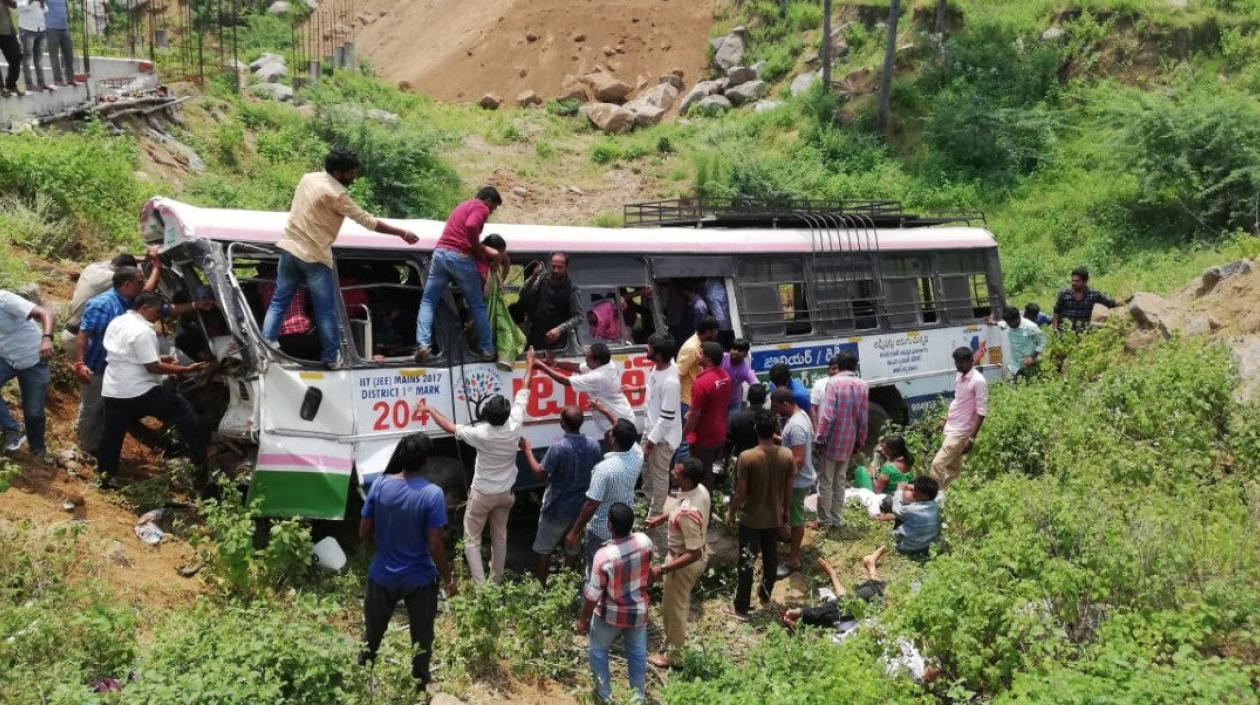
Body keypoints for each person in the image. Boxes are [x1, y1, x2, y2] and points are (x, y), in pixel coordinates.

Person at [264, 149, 417, 368]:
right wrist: (401, 233)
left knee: (279, 300)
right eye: (351, 173)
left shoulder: (308, 178)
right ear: (338, 172)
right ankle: (331, 357)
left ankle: (268, 340)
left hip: (288, 249)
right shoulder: (337, 195)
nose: (354, 177)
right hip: (314, 257)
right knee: (325, 308)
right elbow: (369, 222)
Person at [417, 348, 535, 584]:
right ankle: (497, 581)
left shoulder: (480, 433)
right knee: (500, 537)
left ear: (487, 416)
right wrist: (530, 363)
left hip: (482, 494)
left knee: (472, 538)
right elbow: (524, 389)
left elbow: (450, 427)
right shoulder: (515, 423)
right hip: (505, 494)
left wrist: (429, 409)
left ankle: (481, 589)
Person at [73, 267, 208, 458]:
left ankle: (102, 454)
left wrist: (196, 305)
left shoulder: (133, 303)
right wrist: (80, 363)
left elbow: (166, 310)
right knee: (92, 408)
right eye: (139, 282)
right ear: (126, 284)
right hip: (97, 367)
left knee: (109, 414)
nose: (143, 285)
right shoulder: (103, 304)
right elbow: (83, 334)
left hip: (120, 370)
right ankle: (88, 448)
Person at [358, 433, 456, 694]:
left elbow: (364, 531)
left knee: (372, 632)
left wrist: (383, 549)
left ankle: (361, 680)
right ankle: (419, 686)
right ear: (426, 460)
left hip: (382, 575)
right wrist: (449, 579)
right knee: (422, 636)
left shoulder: (379, 485)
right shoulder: (432, 494)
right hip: (420, 579)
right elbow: (435, 544)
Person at [95, 293, 209, 488]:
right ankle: (200, 465)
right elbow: (152, 367)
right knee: (184, 414)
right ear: (145, 307)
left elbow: (128, 354)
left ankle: (105, 479)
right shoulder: (143, 331)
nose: (159, 314)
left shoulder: (118, 321)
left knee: (112, 435)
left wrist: (162, 358)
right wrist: (186, 369)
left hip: (114, 390)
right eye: (157, 310)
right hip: (140, 391)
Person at [415, 187, 502, 362]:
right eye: (493, 208)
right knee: (477, 305)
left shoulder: (462, 206)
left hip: (440, 254)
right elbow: (470, 226)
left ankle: (423, 344)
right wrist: (477, 249)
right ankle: (487, 349)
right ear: (489, 201)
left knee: (428, 301)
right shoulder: (481, 207)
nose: (490, 212)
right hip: (460, 256)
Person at [578, 502, 653, 705]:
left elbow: (593, 595)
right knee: (637, 654)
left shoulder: (604, 556)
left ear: (610, 525)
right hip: (638, 612)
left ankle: (605, 697)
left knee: (598, 650)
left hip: (610, 615)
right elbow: (649, 572)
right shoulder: (645, 542)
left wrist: (583, 619)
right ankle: (638, 698)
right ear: (631, 523)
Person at [521, 405, 601, 587]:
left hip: (555, 508)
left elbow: (540, 474)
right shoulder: (594, 445)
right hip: (580, 509)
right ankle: (568, 586)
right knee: (572, 549)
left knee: (544, 549)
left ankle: (542, 587)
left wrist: (527, 450)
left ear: (562, 424)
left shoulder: (558, 447)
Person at [644, 458, 709, 669]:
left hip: (682, 563)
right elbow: (679, 509)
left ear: (687, 480)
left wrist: (662, 569)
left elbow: (694, 553)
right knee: (673, 607)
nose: (673, 472)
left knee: (675, 611)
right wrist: (662, 518)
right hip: (681, 556)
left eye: (677, 473)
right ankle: (672, 644)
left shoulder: (688, 514)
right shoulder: (699, 491)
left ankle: (674, 658)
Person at [728, 410, 792, 620]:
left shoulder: (747, 457)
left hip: (751, 519)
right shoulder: (786, 455)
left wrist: (731, 512)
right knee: (771, 559)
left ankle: (741, 607)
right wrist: (785, 513)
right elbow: (788, 488)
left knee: (747, 563)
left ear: (756, 429)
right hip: (773, 518)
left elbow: (740, 493)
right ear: (775, 431)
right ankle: (765, 595)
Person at [566, 419, 644, 572]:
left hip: (602, 529)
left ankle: (594, 592)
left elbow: (591, 505)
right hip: (624, 522)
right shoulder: (638, 454)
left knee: (597, 568)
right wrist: (604, 412)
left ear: (613, 439)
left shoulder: (604, 469)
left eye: (611, 431)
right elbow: (625, 431)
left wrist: (574, 531)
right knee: (616, 565)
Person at [813, 351, 868, 530]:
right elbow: (863, 418)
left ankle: (825, 520)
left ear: (839, 365)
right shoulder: (863, 385)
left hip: (831, 440)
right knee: (840, 480)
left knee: (826, 481)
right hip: (849, 440)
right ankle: (836, 519)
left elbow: (828, 416)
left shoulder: (833, 383)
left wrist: (819, 439)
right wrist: (860, 441)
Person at [535, 342, 634, 440]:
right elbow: (577, 367)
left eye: (588, 357)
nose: (585, 359)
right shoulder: (607, 364)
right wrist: (554, 364)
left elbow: (565, 381)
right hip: (618, 417)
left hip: (617, 421)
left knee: (617, 452)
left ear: (597, 362)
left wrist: (543, 367)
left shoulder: (598, 377)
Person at [62, 250, 159, 345]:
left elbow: (118, 260)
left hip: (70, 332)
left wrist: (144, 259)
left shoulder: (93, 267)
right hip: (81, 339)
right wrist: (156, 268)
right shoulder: (113, 278)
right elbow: (145, 293)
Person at [640, 332, 681, 555]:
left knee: (659, 474)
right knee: (646, 472)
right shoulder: (658, 369)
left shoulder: (671, 381)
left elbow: (666, 419)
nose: (646, 350)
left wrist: (650, 443)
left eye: (649, 348)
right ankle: (650, 504)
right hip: (650, 431)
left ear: (658, 354)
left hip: (662, 438)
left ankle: (656, 514)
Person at [0, 288, 53, 456]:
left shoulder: (4, 299)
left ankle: (37, 449)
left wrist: (46, 338)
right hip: (6, 358)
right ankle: (12, 429)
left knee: (34, 412)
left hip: (34, 358)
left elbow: (45, 313)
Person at [929, 347, 987, 489]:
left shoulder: (978, 381)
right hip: (952, 426)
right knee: (953, 469)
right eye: (956, 362)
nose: (957, 365)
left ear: (970, 361)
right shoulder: (959, 376)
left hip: (961, 431)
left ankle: (933, 498)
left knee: (937, 464)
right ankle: (950, 495)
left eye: (961, 362)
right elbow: (957, 401)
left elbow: (981, 411)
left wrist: (971, 438)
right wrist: (945, 419)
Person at [771, 386, 813, 578]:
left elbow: (798, 458)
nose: (776, 411)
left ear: (785, 403)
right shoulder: (801, 417)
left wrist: (785, 480)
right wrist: (778, 439)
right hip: (796, 479)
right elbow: (792, 445)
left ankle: (793, 559)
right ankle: (788, 542)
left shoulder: (796, 425)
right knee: (789, 515)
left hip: (796, 481)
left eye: (777, 407)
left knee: (795, 519)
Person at [864, 476, 943, 575]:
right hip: (927, 547)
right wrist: (911, 487)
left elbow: (896, 509)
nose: (913, 493)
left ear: (925, 496)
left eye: (916, 491)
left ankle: (888, 544)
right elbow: (940, 493)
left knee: (899, 516)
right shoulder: (938, 504)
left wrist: (899, 490)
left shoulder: (911, 510)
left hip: (908, 547)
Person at [682, 341, 730, 490]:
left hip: (703, 438)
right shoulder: (725, 376)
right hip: (719, 434)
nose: (697, 355)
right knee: (710, 470)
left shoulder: (701, 383)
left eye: (700, 353)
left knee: (703, 475)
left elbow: (695, 416)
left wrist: (684, 434)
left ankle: (703, 508)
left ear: (708, 359)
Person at [516, 252, 585, 353]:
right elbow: (524, 295)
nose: (556, 270)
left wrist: (559, 329)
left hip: (556, 342)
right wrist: (533, 277)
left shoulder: (572, 290)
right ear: (549, 265)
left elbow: (579, 316)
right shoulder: (542, 280)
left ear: (566, 267)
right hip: (534, 333)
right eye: (553, 266)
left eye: (559, 267)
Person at [479, 233, 524, 370]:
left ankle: (502, 356)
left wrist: (500, 261)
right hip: (483, 307)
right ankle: (500, 355)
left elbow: (506, 263)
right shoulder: (481, 266)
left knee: (505, 329)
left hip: (495, 306)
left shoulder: (495, 269)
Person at [676, 315, 718, 424]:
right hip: (688, 401)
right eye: (715, 331)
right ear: (709, 332)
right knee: (688, 437)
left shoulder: (701, 345)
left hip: (698, 399)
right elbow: (678, 374)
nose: (717, 334)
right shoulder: (691, 348)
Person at [1052, 267, 1116, 331]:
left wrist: (1125, 301)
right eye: (1073, 280)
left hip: (1083, 332)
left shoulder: (1093, 294)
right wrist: (1055, 328)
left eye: (1077, 281)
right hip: (1065, 332)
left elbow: (1110, 303)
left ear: (1085, 282)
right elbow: (1056, 312)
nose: (1074, 283)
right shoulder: (1064, 293)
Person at [988, 306, 1045, 379]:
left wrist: (1032, 357)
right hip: (1015, 363)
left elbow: (1042, 343)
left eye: (1010, 323)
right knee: (1009, 382)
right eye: (1007, 323)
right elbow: (1002, 324)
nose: (1008, 325)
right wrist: (993, 322)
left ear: (1017, 319)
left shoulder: (1031, 327)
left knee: (1032, 382)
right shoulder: (1009, 323)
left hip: (1029, 362)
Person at [726, 383, 767, 460]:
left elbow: (728, 444)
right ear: (764, 399)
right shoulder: (770, 418)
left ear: (748, 398)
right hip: (764, 460)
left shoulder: (736, 419)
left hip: (742, 459)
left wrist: (725, 464)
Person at [720, 339, 759, 415]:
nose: (736, 352)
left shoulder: (746, 370)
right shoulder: (721, 357)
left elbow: (756, 384)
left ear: (745, 354)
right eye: (734, 349)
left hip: (734, 404)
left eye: (740, 350)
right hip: (718, 402)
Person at [16, 0, 47, 94]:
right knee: (27, 58)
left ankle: (41, 83)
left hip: (40, 29)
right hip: (27, 29)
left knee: (39, 59)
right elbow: (19, 7)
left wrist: (42, 3)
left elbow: (44, 10)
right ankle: (29, 84)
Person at [809, 355, 842, 428]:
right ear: (828, 370)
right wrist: (816, 430)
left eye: (839, 369)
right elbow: (813, 409)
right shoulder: (819, 384)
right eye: (833, 368)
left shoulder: (848, 386)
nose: (836, 371)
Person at [43, 0, 69, 86]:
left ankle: (70, 78)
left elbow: (66, 9)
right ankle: (58, 80)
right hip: (51, 27)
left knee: (69, 54)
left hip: (64, 27)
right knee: (54, 55)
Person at [0, 0, 19, 98]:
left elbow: (15, 5)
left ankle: (11, 85)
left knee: (16, 57)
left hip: (8, 32)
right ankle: (1, 88)